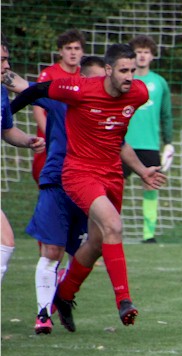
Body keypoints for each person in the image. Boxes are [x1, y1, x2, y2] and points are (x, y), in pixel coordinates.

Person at [11, 44, 167, 330]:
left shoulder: (139, 92)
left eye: (133, 70)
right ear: (108, 70)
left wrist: (143, 170)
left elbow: (118, 141)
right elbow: (35, 91)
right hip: (79, 172)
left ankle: (65, 295)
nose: (130, 76)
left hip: (112, 175)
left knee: (96, 243)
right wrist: (5, 115)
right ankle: (124, 301)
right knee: (114, 225)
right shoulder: (79, 89)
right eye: (123, 71)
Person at [4, 56, 107, 334]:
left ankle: (62, 297)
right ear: (82, 80)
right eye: (96, 79)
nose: (102, 85)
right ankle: (43, 313)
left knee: (85, 252)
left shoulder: (109, 107)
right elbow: (23, 85)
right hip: (57, 182)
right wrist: (4, 72)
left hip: (89, 185)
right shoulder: (61, 97)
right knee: (51, 250)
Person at [1, 34, 46, 283]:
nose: (7, 66)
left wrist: (28, 140)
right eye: (2, 60)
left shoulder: (0, 93)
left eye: (7, 60)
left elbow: (6, 130)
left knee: (6, 243)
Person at [122, 35, 174, 244]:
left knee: (151, 186)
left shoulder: (159, 82)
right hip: (124, 143)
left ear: (152, 56)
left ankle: (148, 234)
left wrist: (168, 141)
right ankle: (111, 229)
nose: (142, 56)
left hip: (150, 144)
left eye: (146, 52)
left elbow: (166, 114)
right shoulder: (125, 80)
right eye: (138, 52)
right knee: (116, 186)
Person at [31, 29, 84, 183]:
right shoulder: (49, 75)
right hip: (51, 145)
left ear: (82, 52)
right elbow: (38, 110)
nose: (73, 53)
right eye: (68, 48)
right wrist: (53, 136)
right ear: (60, 51)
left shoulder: (84, 76)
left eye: (77, 48)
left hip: (75, 146)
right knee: (49, 187)